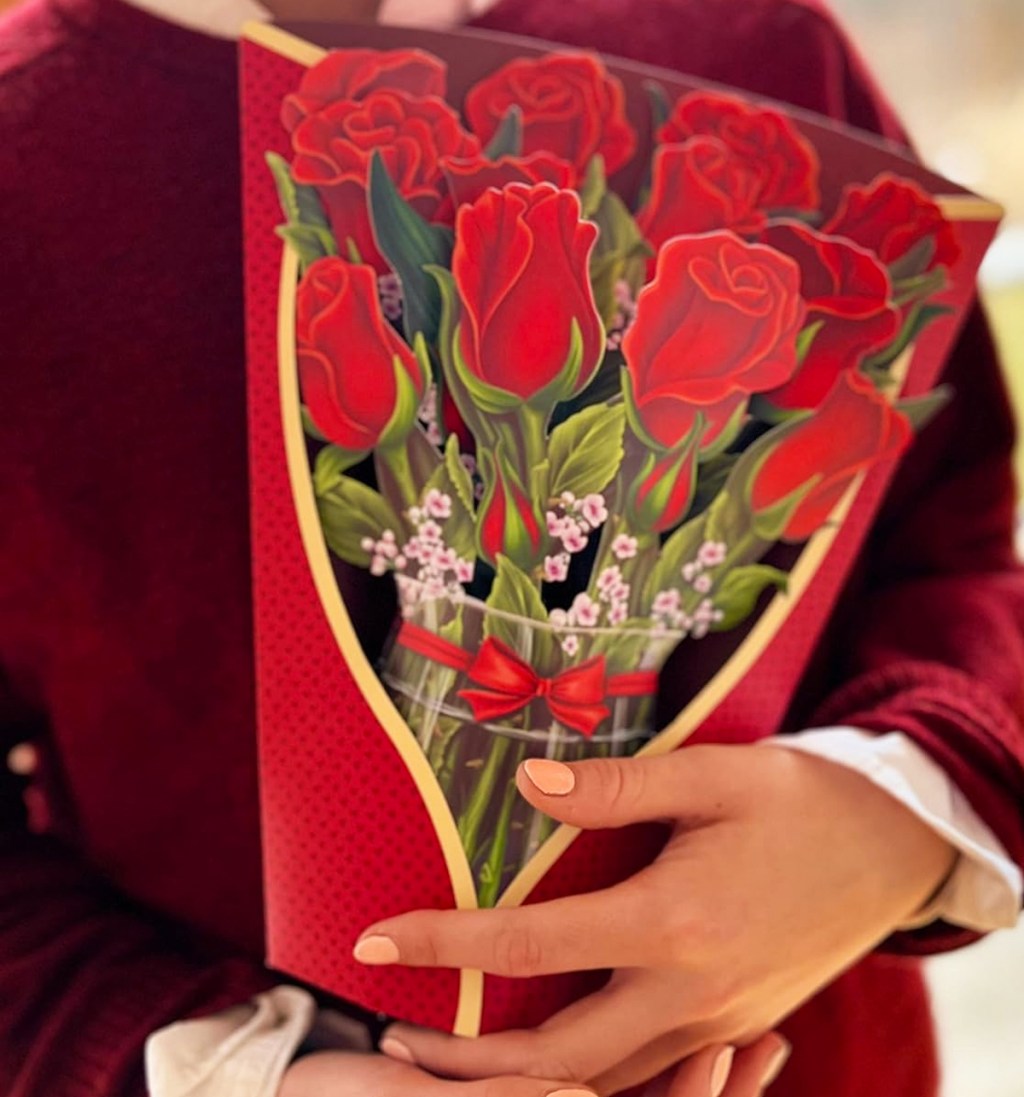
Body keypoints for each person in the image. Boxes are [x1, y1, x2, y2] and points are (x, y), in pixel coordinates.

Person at [0, 0, 1021, 1095]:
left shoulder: (750, 39)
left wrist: (895, 810)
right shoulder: (23, 163)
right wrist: (243, 1073)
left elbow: (955, 540)